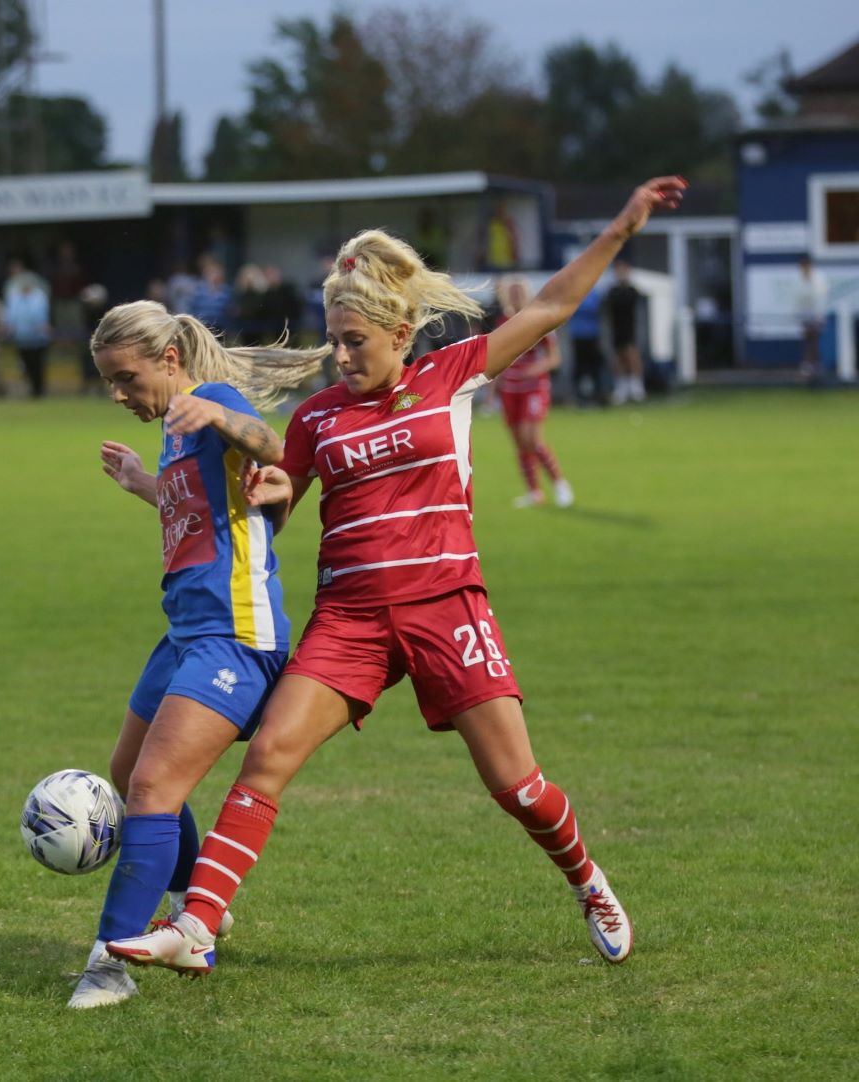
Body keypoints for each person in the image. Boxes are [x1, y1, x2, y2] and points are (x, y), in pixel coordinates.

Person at [106, 176, 688, 983]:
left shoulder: (452, 377)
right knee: (267, 755)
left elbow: (551, 306)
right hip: (348, 619)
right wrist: (268, 497)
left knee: (517, 788)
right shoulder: (315, 419)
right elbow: (277, 502)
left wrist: (622, 225)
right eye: (333, 341)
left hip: (447, 608)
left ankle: (589, 883)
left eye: (355, 342)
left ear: (402, 332)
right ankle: (198, 925)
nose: (341, 357)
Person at [66, 300, 328, 1009]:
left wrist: (220, 417)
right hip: (183, 631)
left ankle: (107, 964)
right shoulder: (173, 432)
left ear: (169, 361)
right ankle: (195, 909)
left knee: (153, 789)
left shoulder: (208, 402)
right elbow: (203, 512)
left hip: (235, 635)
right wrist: (143, 486)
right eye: (109, 383)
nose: (119, 395)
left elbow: (271, 447)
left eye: (126, 378)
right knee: (128, 773)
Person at [494, 276, 573, 508]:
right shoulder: (503, 322)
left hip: (533, 388)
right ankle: (534, 492)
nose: (516, 295)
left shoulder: (537, 321)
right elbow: (497, 357)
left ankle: (560, 484)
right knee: (519, 442)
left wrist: (537, 368)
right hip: (511, 389)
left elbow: (554, 357)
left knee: (533, 439)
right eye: (513, 292)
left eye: (520, 291)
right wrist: (492, 389)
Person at [3, 277, 51, 398]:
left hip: (38, 339)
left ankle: (39, 390)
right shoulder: (15, 298)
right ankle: (30, 389)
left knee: (38, 364)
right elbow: (11, 316)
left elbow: (41, 316)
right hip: (21, 338)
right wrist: (9, 328)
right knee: (26, 365)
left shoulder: (39, 297)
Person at [606, 260, 646, 404]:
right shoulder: (613, 291)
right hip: (617, 329)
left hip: (630, 329)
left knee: (631, 355)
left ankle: (636, 386)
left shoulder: (632, 290)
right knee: (619, 357)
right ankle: (622, 387)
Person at [569, 287, 608, 407]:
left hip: (592, 336)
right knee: (580, 368)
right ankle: (580, 396)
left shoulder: (593, 293)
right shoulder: (574, 293)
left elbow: (594, 309)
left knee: (595, 367)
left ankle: (598, 395)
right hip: (578, 336)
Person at [792, 256, 828, 383]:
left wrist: (819, 317)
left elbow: (820, 298)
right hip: (805, 316)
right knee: (808, 340)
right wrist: (799, 316)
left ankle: (815, 366)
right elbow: (797, 299)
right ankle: (808, 366)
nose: (803, 269)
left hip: (816, 315)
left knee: (814, 340)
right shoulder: (799, 279)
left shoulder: (818, 278)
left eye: (805, 266)